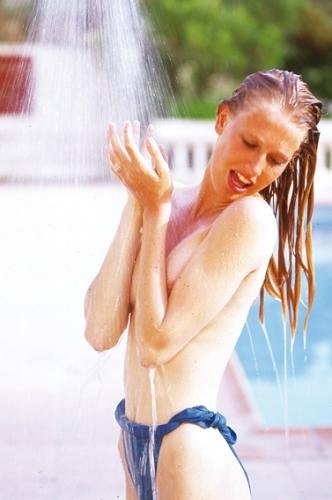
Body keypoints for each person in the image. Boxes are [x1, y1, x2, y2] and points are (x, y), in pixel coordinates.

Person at [84, 69, 322, 500]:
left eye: (275, 159)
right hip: (134, 440)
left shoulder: (248, 221)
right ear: (221, 119)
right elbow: (100, 332)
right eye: (249, 143)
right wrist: (137, 206)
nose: (254, 169)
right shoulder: (166, 200)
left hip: (188, 449)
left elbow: (156, 346)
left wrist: (156, 214)